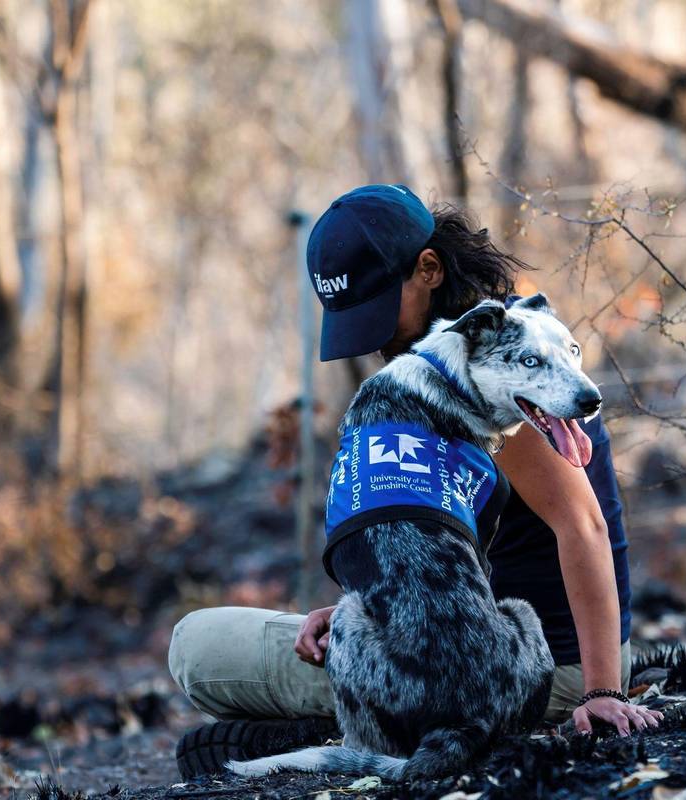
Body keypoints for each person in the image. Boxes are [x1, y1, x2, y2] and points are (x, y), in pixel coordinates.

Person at [168, 185, 656, 779]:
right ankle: (361, 721)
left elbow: (583, 524)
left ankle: (351, 736)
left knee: (197, 647)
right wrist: (373, 598)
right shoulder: (511, 339)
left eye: (377, 312)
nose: (372, 339)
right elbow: (438, 536)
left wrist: (601, 692)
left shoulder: (488, 377)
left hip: (532, 673)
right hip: (484, 646)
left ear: (428, 269)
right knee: (303, 632)